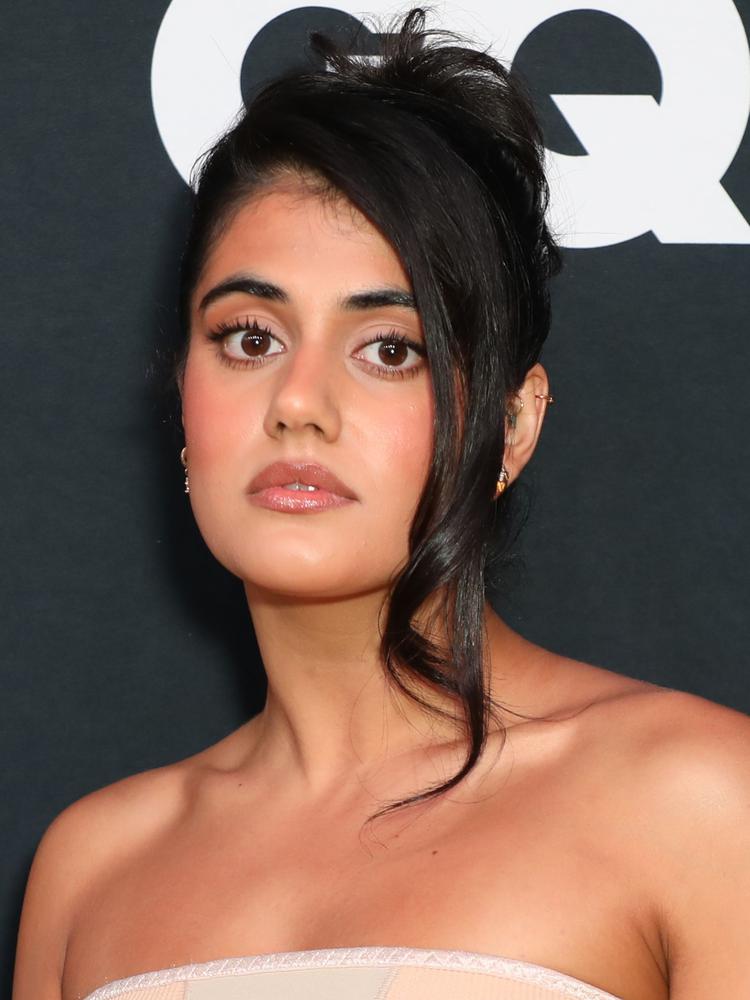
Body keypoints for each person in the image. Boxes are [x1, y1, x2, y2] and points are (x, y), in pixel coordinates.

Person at [12, 8, 750, 1000]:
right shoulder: (90, 870)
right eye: (250, 338)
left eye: (390, 349)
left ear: (512, 425)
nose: (299, 404)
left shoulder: (700, 802)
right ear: (182, 396)